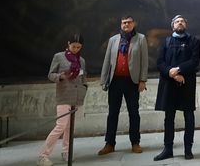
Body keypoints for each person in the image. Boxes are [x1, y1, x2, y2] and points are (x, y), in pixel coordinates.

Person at [98, 15, 149, 155]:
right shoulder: (113, 40)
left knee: (134, 113)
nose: (126, 25)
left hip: (132, 82)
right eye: (123, 22)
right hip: (115, 81)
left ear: (134, 23)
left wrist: (143, 80)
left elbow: (144, 62)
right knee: (112, 113)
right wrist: (104, 80)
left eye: (128, 22)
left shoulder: (141, 39)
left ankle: (135, 143)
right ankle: (109, 144)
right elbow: (107, 60)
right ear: (121, 24)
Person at [153, 15, 200, 161]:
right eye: (177, 21)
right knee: (169, 118)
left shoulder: (194, 41)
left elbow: (194, 61)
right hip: (169, 83)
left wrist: (179, 69)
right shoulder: (166, 42)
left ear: (186, 25)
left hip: (187, 83)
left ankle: (188, 150)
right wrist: (172, 73)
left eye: (182, 21)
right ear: (173, 26)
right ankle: (168, 149)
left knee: (189, 117)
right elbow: (160, 62)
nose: (180, 23)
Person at [37, 34, 87, 166]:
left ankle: (66, 152)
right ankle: (43, 155)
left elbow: (83, 78)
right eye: (73, 46)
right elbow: (50, 75)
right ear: (68, 43)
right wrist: (61, 76)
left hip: (77, 96)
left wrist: (84, 89)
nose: (75, 49)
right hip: (64, 95)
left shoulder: (81, 60)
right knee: (61, 125)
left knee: (70, 127)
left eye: (78, 47)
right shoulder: (59, 56)